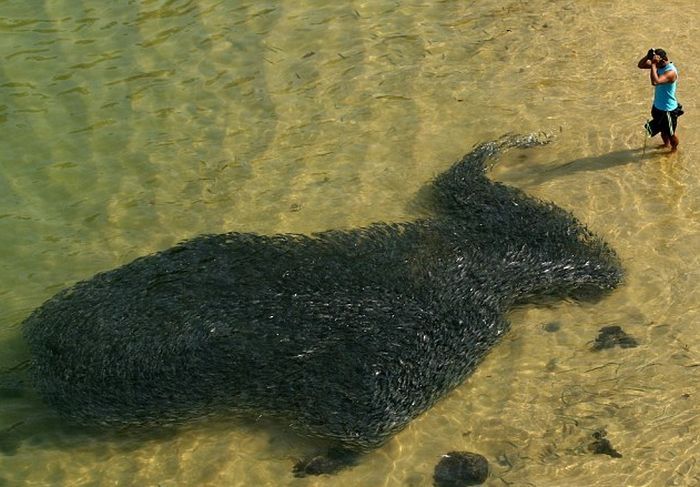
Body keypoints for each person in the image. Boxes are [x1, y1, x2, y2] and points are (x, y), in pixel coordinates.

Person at [637, 48, 682, 152]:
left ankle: (674, 149)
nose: (655, 64)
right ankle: (666, 145)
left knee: (671, 134)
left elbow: (655, 82)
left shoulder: (671, 72)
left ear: (663, 60)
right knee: (662, 130)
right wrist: (647, 57)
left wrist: (653, 64)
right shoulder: (658, 65)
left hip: (668, 110)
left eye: (656, 62)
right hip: (657, 107)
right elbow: (640, 65)